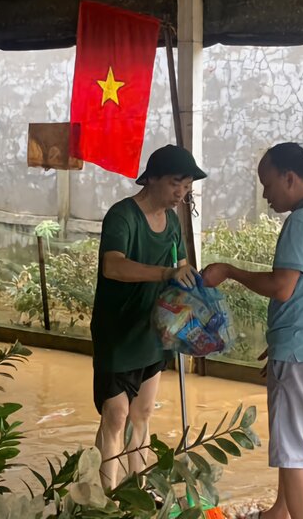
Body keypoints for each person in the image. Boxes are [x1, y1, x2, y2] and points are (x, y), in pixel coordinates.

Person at [202, 142, 303, 519]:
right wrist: (281, 340)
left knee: (293, 455)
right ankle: (278, 512)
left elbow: (283, 286)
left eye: (267, 185)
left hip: (301, 353)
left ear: (290, 178)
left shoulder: (300, 222)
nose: (265, 194)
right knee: (295, 443)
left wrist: (229, 271)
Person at [91, 144, 206, 489]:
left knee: (142, 414)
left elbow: (182, 267)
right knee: (116, 416)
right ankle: (106, 498)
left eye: (186, 187)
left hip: (154, 331)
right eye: (175, 183)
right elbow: (113, 266)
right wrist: (164, 274)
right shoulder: (122, 216)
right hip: (118, 331)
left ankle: (137, 492)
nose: (180, 193)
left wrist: (197, 294)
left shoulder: (171, 221)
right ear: (152, 178)